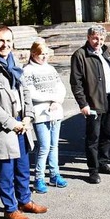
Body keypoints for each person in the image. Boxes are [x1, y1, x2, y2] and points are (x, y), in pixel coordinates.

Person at [0, 25, 47, 219]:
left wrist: (29, 117)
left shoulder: (16, 65)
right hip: (3, 129)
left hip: (22, 126)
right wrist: (12, 123)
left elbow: (26, 93)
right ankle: (10, 208)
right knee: (6, 171)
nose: (5, 45)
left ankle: (24, 201)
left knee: (23, 168)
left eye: (8, 41)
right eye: (0, 40)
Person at [70, 25, 110, 184]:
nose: (98, 41)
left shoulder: (106, 52)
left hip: (109, 101)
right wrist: (83, 103)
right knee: (93, 137)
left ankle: (103, 162)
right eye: (95, 38)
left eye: (101, 38)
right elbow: (76, 82)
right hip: (92, 103)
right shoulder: (80, 55)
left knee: (107, 134)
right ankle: (93, 170)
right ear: (88, 38)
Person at [23, 40, 67, 193]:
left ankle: (54, 174)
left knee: (54, 145)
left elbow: (61, 87)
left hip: (56, 111)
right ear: (33, 53)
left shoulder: (51, 68)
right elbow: (30, 92)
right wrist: (50, 98)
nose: (44, 57)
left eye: (46, 54)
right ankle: (39, 178)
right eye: (41, 54)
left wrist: (57, 100)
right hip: (40, 113)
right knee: (44, 146)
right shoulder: (28, 70)